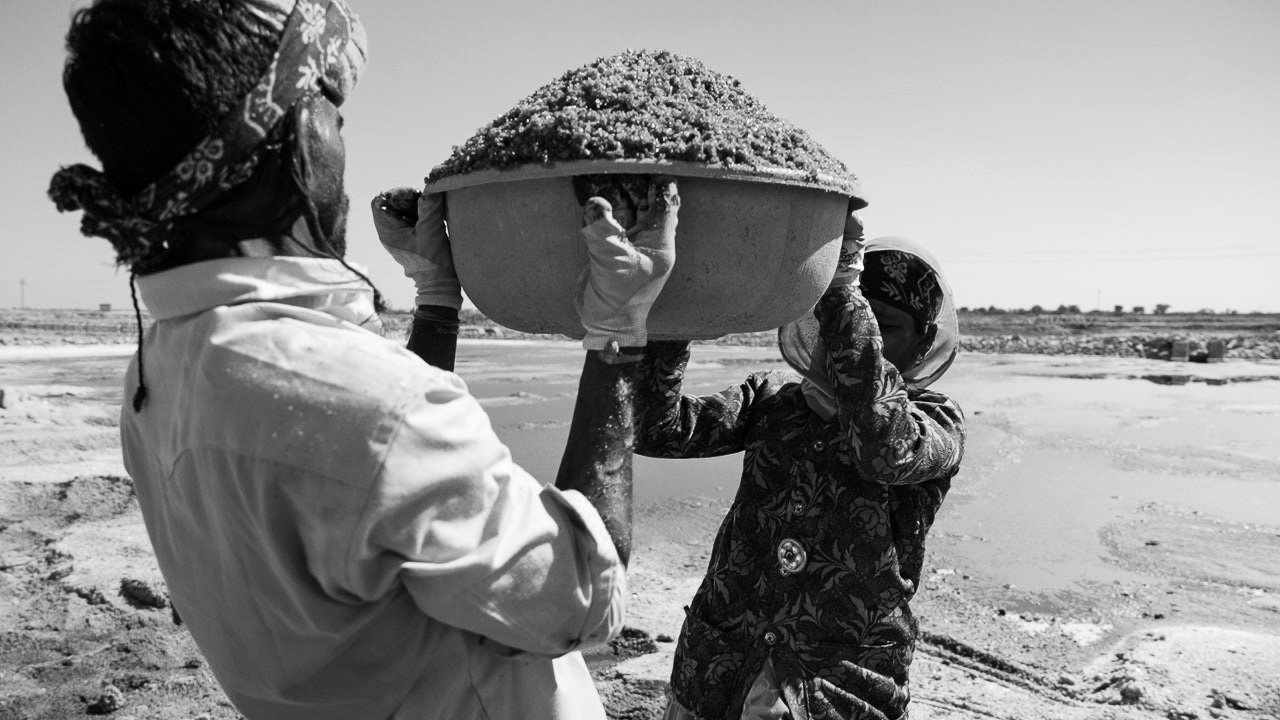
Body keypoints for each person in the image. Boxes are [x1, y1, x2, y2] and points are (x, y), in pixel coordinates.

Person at [47, 1, 677, 718]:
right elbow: (578, 601)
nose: (342, 141)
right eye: (334, 116)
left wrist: (435, 302)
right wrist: (618, 335)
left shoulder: (157, 373)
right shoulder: (373, 412)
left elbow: (382, 482)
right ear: (295, 134)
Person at [633, 212, 965, 720]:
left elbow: (881, 447)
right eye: (841, 315)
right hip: (719, 668)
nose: (858, 337)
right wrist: (676, 318)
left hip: (837, 689)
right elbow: (658, 430)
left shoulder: (935, 421)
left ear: (923, 343)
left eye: (886, 327)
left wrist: (844, 292)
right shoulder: (775, 397)